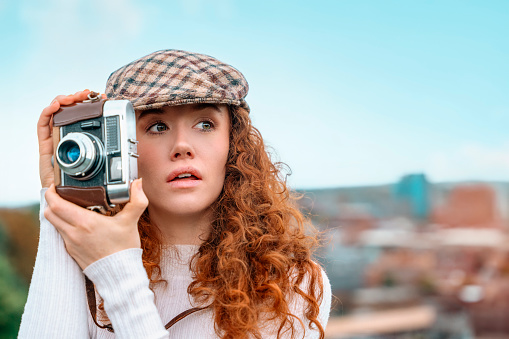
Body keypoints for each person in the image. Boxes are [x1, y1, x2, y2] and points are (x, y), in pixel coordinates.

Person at [18, 49, 332, 339]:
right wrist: (60, 197)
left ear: (233, 145)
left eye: (205, 124)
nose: (182, 145)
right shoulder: (90, 260)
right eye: (157, 126)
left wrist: (117, 271)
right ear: (122, 147)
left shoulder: (291, 283)